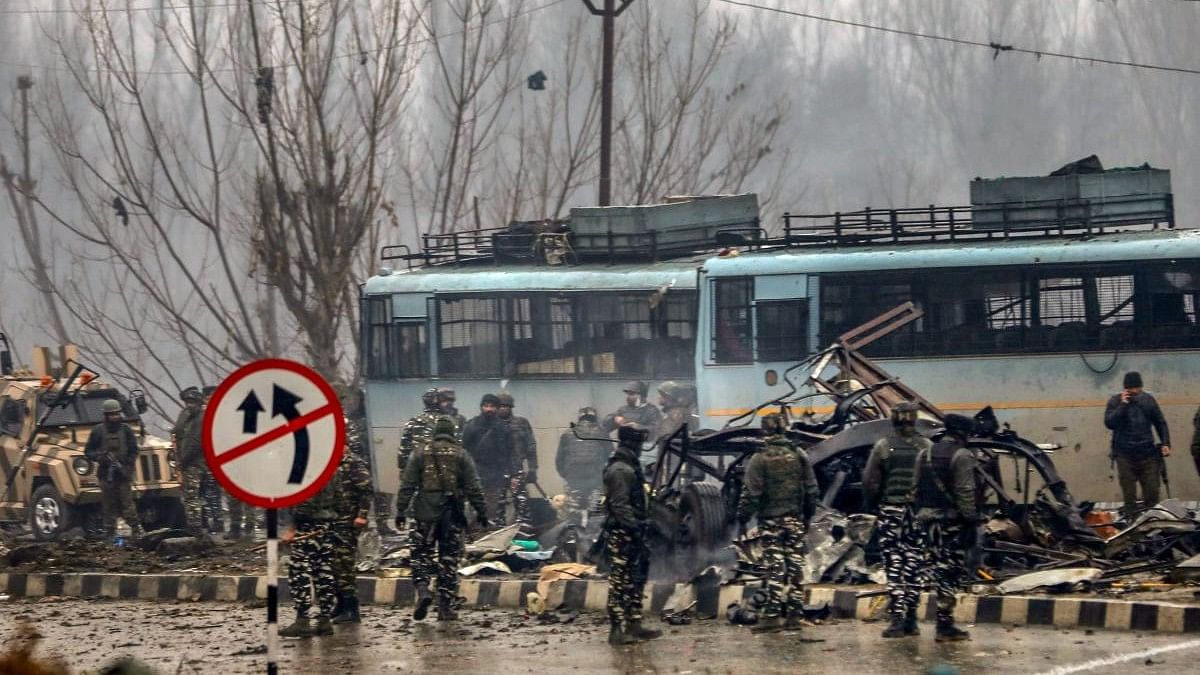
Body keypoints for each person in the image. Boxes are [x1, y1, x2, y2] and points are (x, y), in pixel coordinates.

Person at [395, 416, 488, 621]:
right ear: (453, 434)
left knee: (420, 554)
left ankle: (423, 591)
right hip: (451, 514)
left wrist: (401, 510)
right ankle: (445, 607)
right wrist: (482, 513)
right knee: (449, 559)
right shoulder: (462, 454)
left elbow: (407, 484)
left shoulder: (419, 452)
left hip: (423, 513)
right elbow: (474, 487)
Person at [736, 413, 818, 633]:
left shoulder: (760, 458)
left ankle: (771, 616)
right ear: (784, 430)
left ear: (765, 431)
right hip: (795, 519)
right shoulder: (798, 454)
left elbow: (751, 493)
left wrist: (743, 519)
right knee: (796, 567)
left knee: (775, 567)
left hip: (771, 521)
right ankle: (794, 615)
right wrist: (808, 516)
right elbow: (811, 489)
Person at [279, 448, 365, 637]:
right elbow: (340, 500)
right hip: (328, 527)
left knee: (299, 572)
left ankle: (303, 619)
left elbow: (304, 503)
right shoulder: (331, 467)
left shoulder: (309, 468)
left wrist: (293, 528)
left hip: (308, 528)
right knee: (324, 572)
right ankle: (324, 619)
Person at [862, 401, 930, 639]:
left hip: (891, 512)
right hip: (918, 514)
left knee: (894, 564)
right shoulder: (926, 446)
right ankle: (912, 618)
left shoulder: (883, 446)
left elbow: (870, 481)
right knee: (914, 564)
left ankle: (897, 619)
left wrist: (874, 506)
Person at [912, 413, 980, 642]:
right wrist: (970, 521)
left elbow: (915, 489)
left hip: (926, 522)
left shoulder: (925, 453)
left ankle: (919, 620)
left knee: (931, 570)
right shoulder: (962, 456)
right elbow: (965, 492)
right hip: (951, 523)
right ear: (962, 434)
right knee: (949, 572)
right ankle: (944, 625)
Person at [602, 425, 662, 645]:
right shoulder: (620, 469)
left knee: (636, 578)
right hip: (623, 532)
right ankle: (617, 629)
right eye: (638, 443)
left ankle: (634, 624)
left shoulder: (630, 466)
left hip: (634, 530)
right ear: (632, 443)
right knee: (620, 580)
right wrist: (635, 528)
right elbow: (619, 506)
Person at [1104, 371, 1170, 516]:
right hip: (1124, 455)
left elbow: (1160, 422)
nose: (1135, 393)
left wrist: (1165, 443)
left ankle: (1153, 526)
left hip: (1148, 454)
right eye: (1132, 391)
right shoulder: (1115, 401)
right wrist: (1123, 405)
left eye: (1137, 390)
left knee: (1152, 493)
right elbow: (1109, 423)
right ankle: (1131, 524)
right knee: (1129, 496)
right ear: (1126, 389)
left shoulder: (1148, 400)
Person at [330, 416, 375, 624]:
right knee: (333, 566)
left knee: (345, 565)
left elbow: (366, 490)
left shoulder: (353, 464)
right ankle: (340, 604)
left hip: (348, 523)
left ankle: (351, 608)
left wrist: (361, 516)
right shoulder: (331, 464)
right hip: (332, 522)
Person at [84, 399, 143, 539]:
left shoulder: (126, 430)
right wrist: (100, 458)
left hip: (123, 474)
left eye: (117, 414)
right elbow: (88, 451)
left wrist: (127, 466)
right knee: (108, 506)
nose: (115, 417)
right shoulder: (98, 431)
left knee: (128, 505)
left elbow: (134, 450)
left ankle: (137, 530)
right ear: (106, 415)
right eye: (112, 415)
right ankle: (110, 534)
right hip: (106, 474)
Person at [462, 394, 512, 524]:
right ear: (481, 407)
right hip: (475, 474)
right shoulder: (471, 425)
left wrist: (508, 471)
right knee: (473, 508)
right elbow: (463, 450)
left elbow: (508, 451)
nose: (488, 409)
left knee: (491, 510)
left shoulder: (502, 427)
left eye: (492, 406)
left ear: (497, 408)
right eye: (486, 406)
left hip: (494, 475)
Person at [497, 392, 538, 536]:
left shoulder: (521, 423)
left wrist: (533, 468)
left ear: (511, 407)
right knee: (498, 504)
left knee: (522, 503)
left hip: (516, 468)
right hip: (497, 470)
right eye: (500, 406)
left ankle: (524, 531)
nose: (502, 409)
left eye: (505, 406)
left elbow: (531, 446)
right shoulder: (491, 424)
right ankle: (498, 533)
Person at [555, 407, 610, 514]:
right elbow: (610, 456)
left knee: (574, 514)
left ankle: (575, 529)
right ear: (594, 418)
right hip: (596, 480)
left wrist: (566, 475)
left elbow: (559, 460)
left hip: (573, 481)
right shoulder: (602, 432)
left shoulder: (568, 433)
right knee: (595, 513)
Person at [170, 387, 205, 532]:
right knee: (187, 496)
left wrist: (183, 462)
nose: (190, 405)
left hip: (194, 463)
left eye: (193, 402)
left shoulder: (201, 418)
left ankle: (195, 527)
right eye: (187, 402)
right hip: (183, 461)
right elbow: (177, 434)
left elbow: (196, 443)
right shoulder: (185, 415)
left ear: (198, 403)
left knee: (192, 496)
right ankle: (191, 524)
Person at [399, 388, 441, 476]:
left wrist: (403, 471)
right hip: (441, 470)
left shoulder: (413, 422)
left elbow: (404, 450)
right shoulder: (447, 421)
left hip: (418, 470)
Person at [198, 385, 223, 533]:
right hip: (202, 458)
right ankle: (206, 521)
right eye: (209, 397)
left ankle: (217, 521)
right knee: (204, 492)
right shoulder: (202, 414)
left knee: (214, 492)